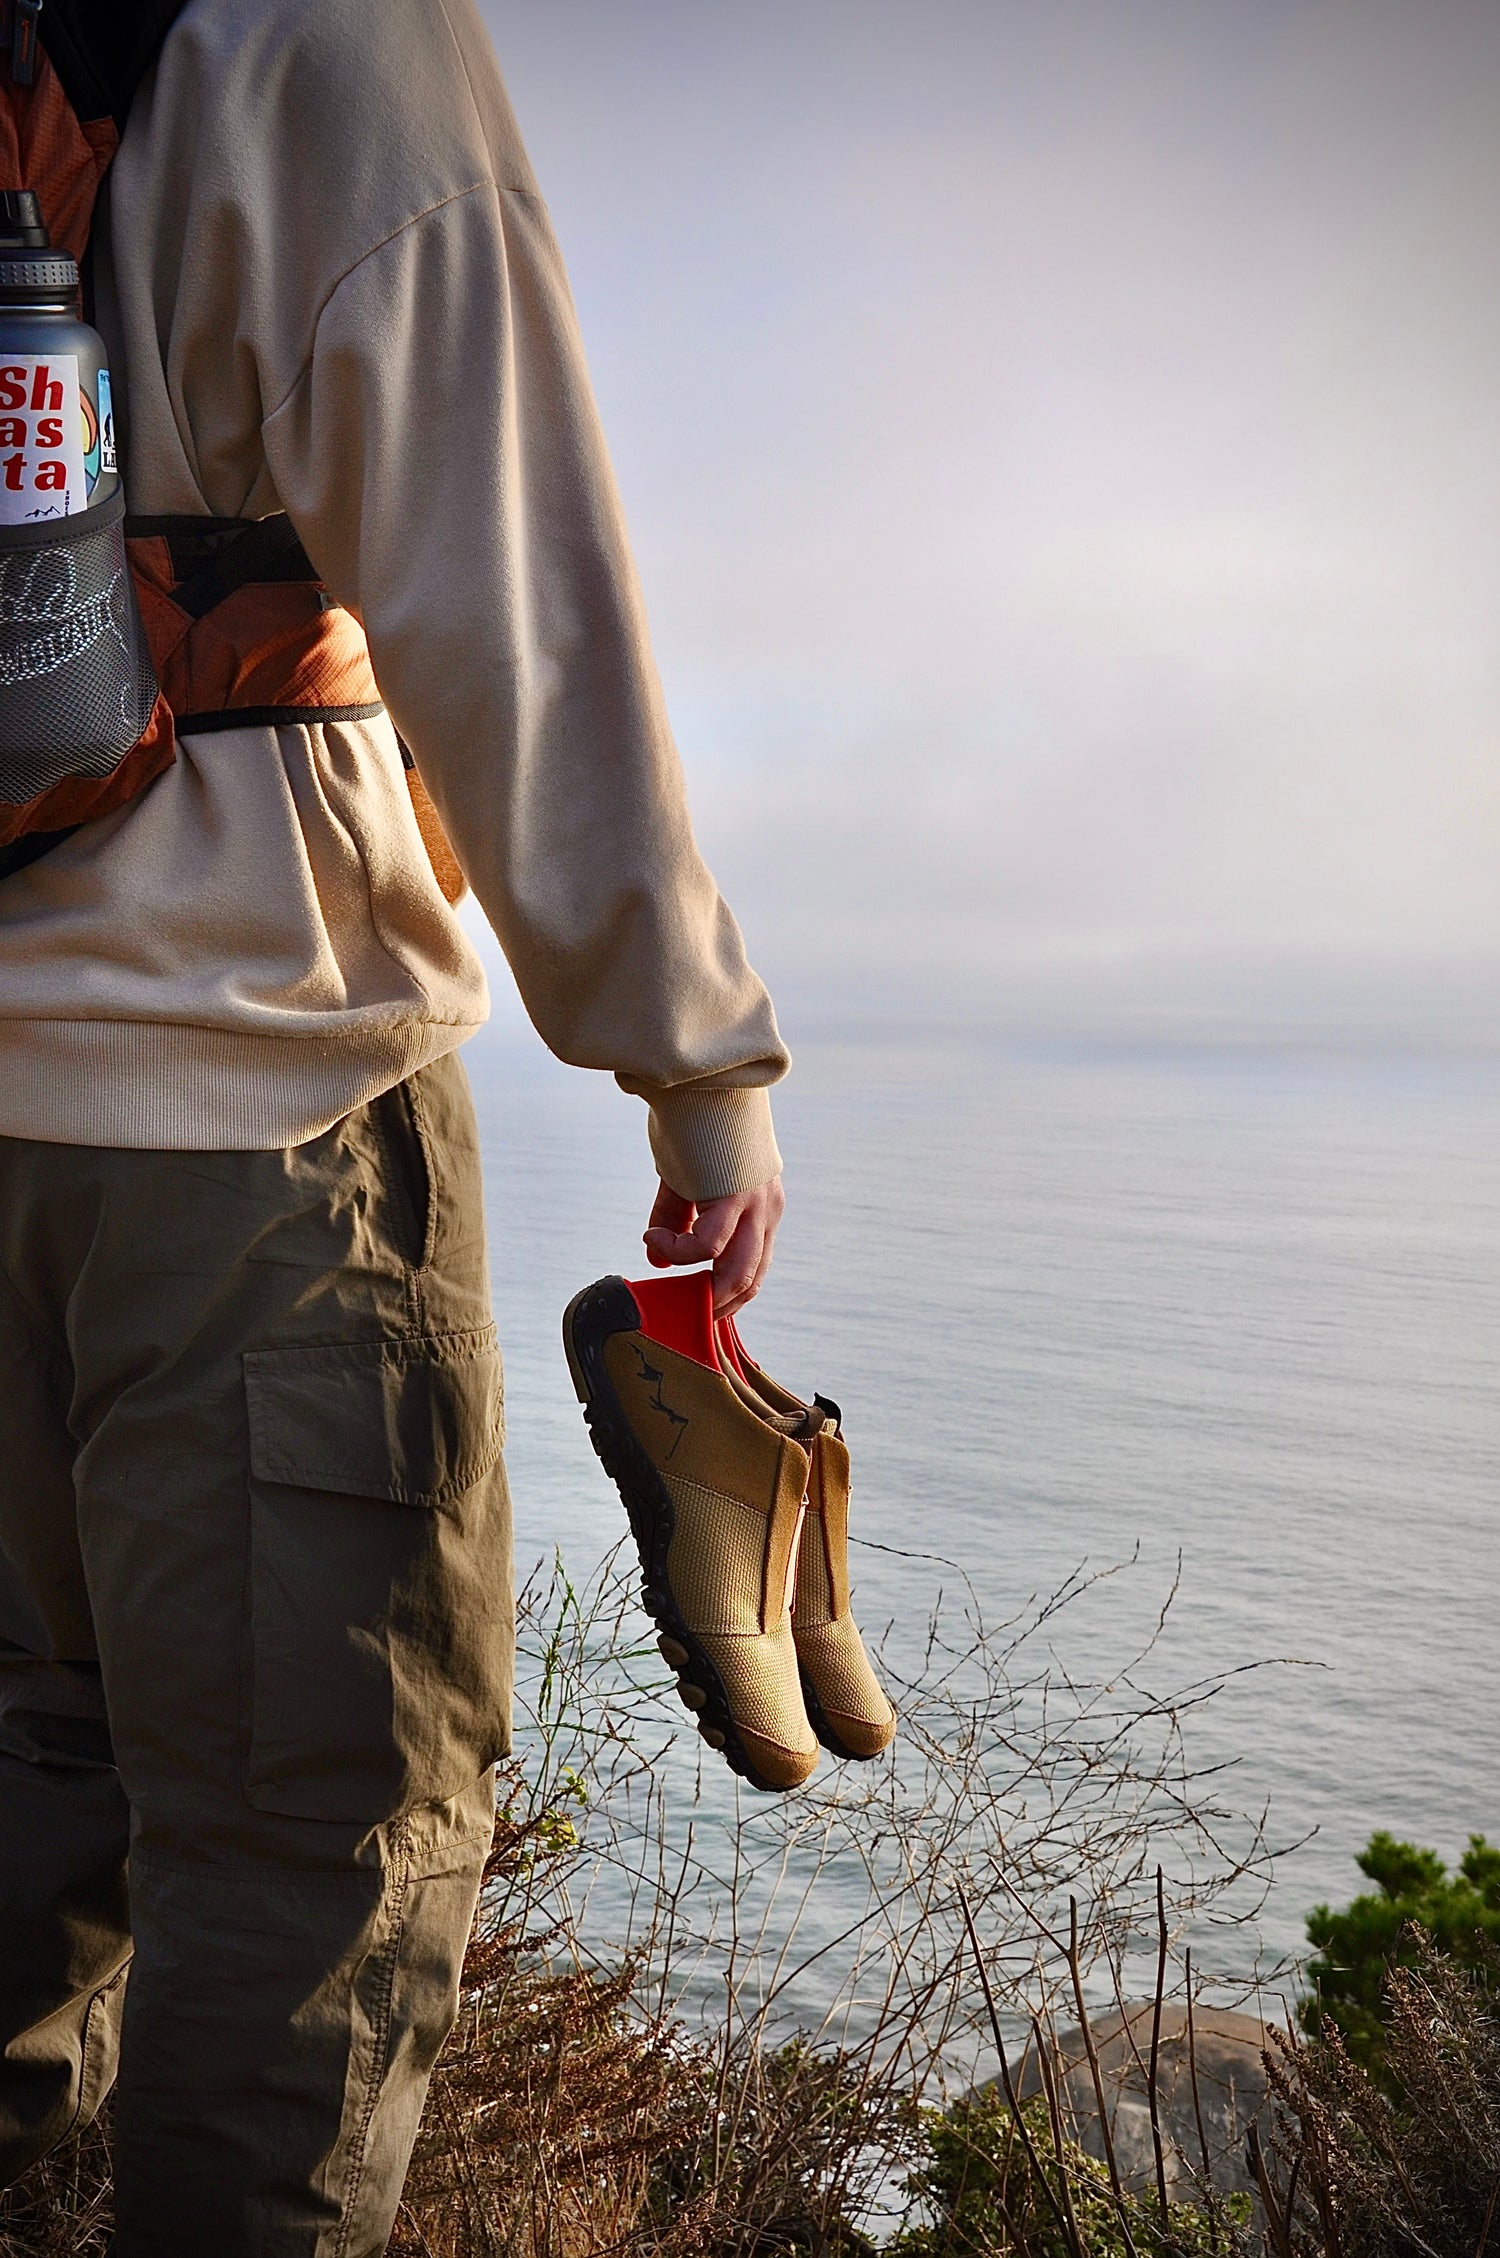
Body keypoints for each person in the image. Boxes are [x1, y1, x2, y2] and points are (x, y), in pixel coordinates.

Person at [0, 0, 787, 2249]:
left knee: (23, 1776)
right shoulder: (319, 38)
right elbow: (502, 562)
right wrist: (691, 1056)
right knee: (314, 1855)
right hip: (255, 1111)